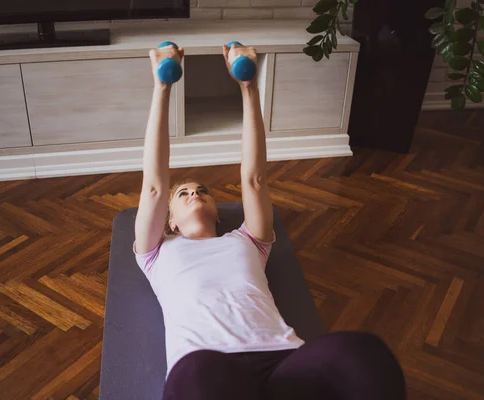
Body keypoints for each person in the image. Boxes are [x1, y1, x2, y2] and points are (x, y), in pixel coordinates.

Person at [133, 44, 406, 400]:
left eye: (203, 191)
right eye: (183, 194)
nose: (195, 194)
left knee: (363, 355)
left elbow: (255, 179)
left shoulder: (249, 239)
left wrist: (249, 86)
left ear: (219, 212)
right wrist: (162, 86)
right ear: (170, 221)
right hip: (209, 364)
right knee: (198, 378)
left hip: (282, 358)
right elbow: (155, 187)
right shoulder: (155, 252)